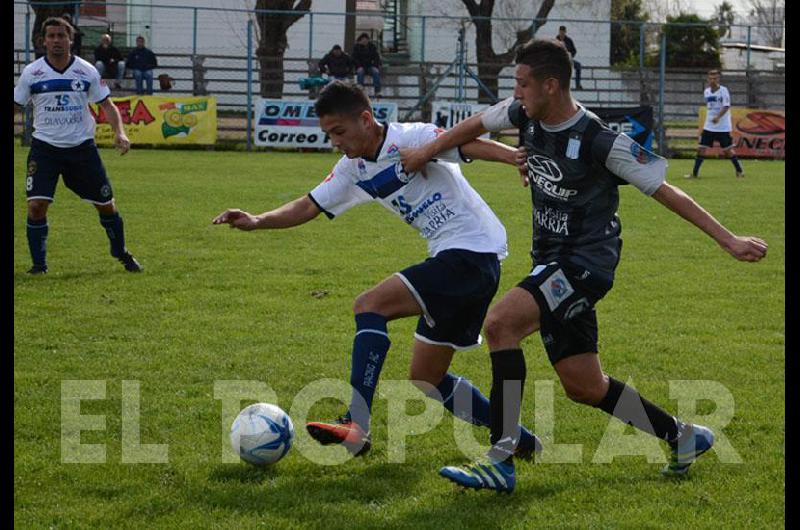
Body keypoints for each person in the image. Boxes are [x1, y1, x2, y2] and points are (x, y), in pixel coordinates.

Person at [401, 38, 767, 492]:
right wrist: (424, 152)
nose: (514, 94)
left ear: (550, 86)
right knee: (584, 385)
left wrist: (727, 239)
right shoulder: (523, 114)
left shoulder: (601, 141)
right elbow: (475, 124)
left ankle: (501, 455)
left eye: (521, 84)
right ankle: (683, 436)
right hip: (551, 262)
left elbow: (667, 192)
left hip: (585, 264)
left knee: (501, 325)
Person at [213, 80, 542, 465]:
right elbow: (310, 204)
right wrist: (257, 220)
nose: (335, 141)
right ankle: (518, 438)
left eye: (339, 132)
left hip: (470, 251)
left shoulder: (413, 136)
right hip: (467, 264)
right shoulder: (352, 168)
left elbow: (467, 144)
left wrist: (514, 158)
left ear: (366, 119)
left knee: (370, 305)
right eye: (328, 134)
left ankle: (357, 423)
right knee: (427, 379)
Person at [14, 17, 142, 274]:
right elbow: (16, 106)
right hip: (45, 148)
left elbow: (107, 104)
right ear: (43, 41)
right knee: (36, 206)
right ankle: (39, 266)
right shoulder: (32, 72)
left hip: (82, 150)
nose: (56, 41)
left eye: (61, 36)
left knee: (106, 205)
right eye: (51, 36)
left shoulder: (86, 71)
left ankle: (120, 251)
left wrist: (120, 132)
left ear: (70, 39)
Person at [687, 69, 744, 179]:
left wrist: (718, 117)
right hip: (709, 126)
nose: (713, 80)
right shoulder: (707, 91)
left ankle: (739, 171)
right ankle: (694, 174)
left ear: (718, 79)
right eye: (711, 78)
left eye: (715, 78)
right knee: (701, 148)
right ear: (708, 79)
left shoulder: (723, 91)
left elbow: (726, 106)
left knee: (727, 150)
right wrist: (711, 118)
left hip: (722, 126)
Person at [352, 33, 382, 97]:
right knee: (360, 72)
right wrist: (358, 66)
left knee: (376, 71)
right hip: (360, 66)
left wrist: (375, 65)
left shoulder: (372, 47)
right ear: (360, 40)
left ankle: (377, 91)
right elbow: (354, 58)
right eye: (363, 40)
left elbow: (376, 57)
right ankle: (360, 90)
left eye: (366, 39)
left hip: (370, 66)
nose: (365, 41)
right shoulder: (356, 47)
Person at [556, 25, 582, 90]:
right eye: (561, 32)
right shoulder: (555, 40)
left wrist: (570, 55)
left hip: (568, 59)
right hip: (558, 60)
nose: (562, 33)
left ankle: (577, 84)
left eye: (563, 32)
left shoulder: (569, 40)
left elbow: (574, 50)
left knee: (578, 65)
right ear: (559, 32)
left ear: (565, 32)